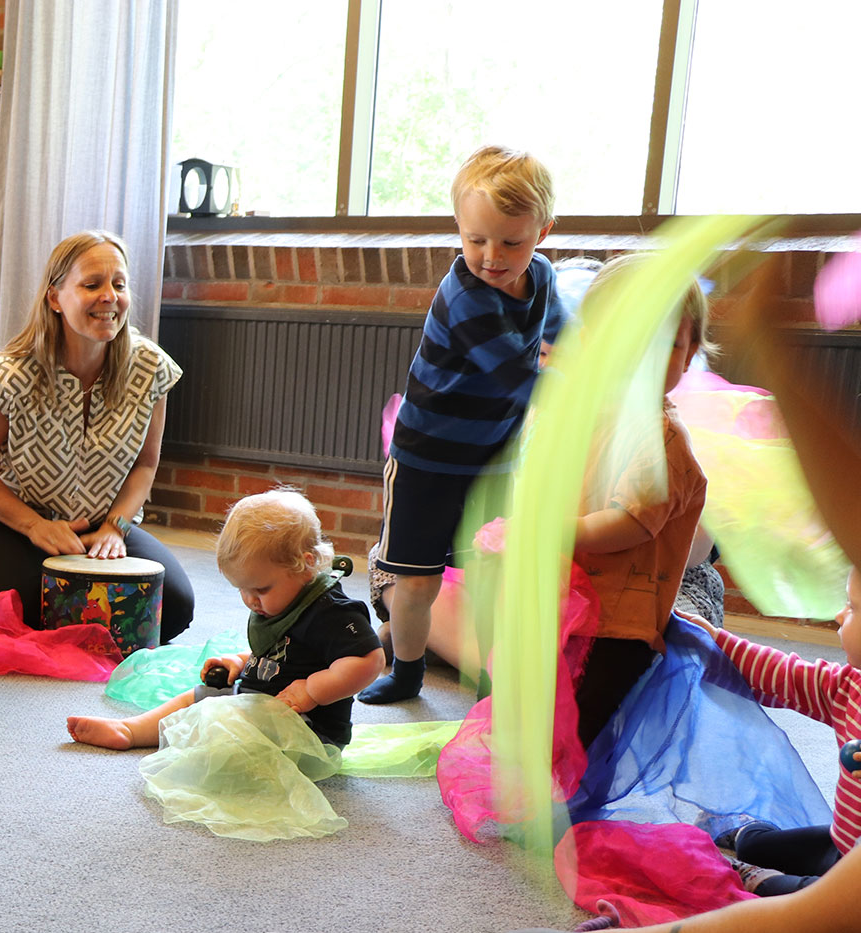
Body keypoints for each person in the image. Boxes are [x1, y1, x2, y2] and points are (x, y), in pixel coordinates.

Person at [411, 263, 861, 933]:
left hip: (623, 634)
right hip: (829, 912)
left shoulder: (661, 438)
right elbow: (777, 667)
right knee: (733, 857)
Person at [362, 145, 564, 705]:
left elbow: (563, 333)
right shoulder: (466, 297)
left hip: (494, 458)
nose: (492, 256)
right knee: (418, 580)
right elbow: (514, 375)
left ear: (542, 233)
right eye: (476, 240)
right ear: (459, 228)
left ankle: (491, 684)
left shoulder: (542, 277)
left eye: (511, 242)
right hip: (428, 458)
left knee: (492, 576)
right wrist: (577, 389)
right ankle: (405, 671)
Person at [0, 231, 192, 640]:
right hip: (14, 525)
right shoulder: (8, 376)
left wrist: (115, 528)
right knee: (17, 602)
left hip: (104, 528)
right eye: (92, 284)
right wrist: (35, 526)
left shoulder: (151, 367)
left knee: (173, 607)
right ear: (55, 298)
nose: (110, 296)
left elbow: (146, 464)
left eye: (119, 285)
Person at [67, 489, 383, 751]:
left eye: (260, 588)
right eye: (242, 589)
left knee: (222, 727)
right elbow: (280, 656)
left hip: (308, 730)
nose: (250, 600)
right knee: (199, 697)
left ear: (306, 564)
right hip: (257, 704)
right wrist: (241, 661)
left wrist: (312, 690)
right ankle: (132, 730)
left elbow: (370, 660)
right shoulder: (278, 601)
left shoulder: (331, 611)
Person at [565, 254, 711, 747]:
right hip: (578, 602)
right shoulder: (595, 418)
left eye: (667, 344)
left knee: (586, 719)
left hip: (620, 624)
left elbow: (630, 522)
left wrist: (556, 529)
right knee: (549, 707)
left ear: (689, 356)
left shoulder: (661, 437)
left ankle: (562, 807)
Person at [677, 567, 861, 896]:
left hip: (852, 890)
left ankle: (756, 880)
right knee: (761, 846)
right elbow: (784, 676)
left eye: (853, 607)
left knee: (810, 904)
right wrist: (714, 642)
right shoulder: (850, 687)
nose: (839, 613)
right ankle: (743, 833)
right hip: (844, 847)